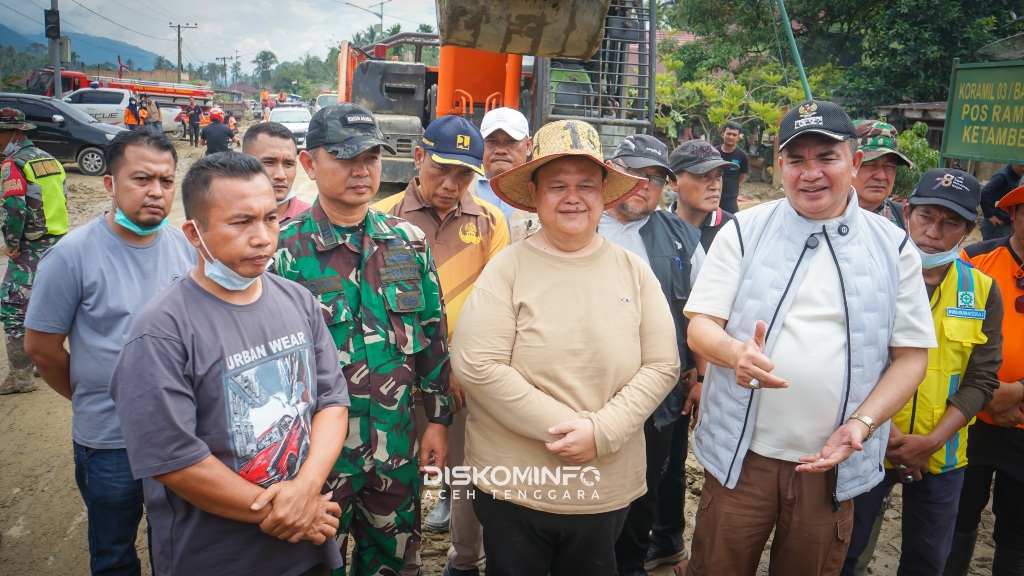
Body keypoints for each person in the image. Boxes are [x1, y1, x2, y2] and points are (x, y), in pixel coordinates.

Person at [682, 100, 935, 575]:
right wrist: (732, 352)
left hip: (830, 465)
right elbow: (700, 324)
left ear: (854, 163)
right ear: (780, 166)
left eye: (827, 157)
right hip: (741, 458)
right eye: (797, 159)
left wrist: (861, 425)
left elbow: (911, 357)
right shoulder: (744, 230)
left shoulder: (892, 246)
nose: (810, 173)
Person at [450, 119, 680, 576]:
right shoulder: (507, 268)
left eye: (586, 186)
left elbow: (662, 365)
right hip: (515, 483)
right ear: (534, 195)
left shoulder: (633, 270)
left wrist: (603, 431)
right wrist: (568, 428)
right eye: (557, 186)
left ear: (603, 195)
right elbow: (477, 364)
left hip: (604, 482)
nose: (573, 197)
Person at [108, 152, 350, 575]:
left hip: (305, 551)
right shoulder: (162, 332)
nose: (262, 238)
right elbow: (176, 460)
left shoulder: (298, 301)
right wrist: (291, 513)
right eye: (241, 222)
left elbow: (331, 401)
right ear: (194, 233)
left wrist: (306, 490)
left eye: (270, 219)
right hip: (219, 556)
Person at [274, 103, 452, 576]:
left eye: (371, 157)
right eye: (345, 157)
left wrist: (436, 421)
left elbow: (433, 338)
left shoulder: (408, 243)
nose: (362, 170)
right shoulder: (281, 252)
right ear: (309, 164)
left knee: (392, 566)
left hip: (394, 453)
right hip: (313, 465)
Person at [23, 129, 194, 575]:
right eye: (141, 179)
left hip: (175, 435)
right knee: (114, 550)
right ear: (109, 183)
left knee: (174, 543)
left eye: (166, 180)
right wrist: (94, 395)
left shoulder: (181, 246)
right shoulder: (71, 256)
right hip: (109, 441)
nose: (156, 192)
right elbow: (41, 349)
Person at [841, 168, 1002, 576]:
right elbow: (851, 358)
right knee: (845, 552)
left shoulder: (981, 289)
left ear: (969, 230)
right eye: (926, 216)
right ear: (907, 212)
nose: (934, 231)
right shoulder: (870, 275)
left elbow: (982, 379)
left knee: (928, 560)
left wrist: (929, 442)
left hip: (941, 454)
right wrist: (888, 432)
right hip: (868, 443)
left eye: (950, 223)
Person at [374, 115, 509, 576]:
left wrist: (462, 369)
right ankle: (402, 562)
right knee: (397, 480)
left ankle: (466, 561)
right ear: (417, 157)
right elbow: (389, 310)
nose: (453, 184)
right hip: (397, 380)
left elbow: (498, 309)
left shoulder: (491, 223)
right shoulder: (384, 219)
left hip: (464, 380)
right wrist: (423, 371)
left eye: (465, 174)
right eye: (442, 170)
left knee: (468, 479)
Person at [598, 134, 700, 576]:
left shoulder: (684, 240)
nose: (645, 185)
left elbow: (703, 315)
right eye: (635, 173)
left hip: (657, 394)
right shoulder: (578, 224)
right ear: (610, 171)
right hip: (585, 388)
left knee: (645, 489)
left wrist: (698, 376)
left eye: (657, 179)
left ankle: (630, 563)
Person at [646, 139, 738, 574]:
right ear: (674, 181)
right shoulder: (652, 229)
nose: (712, 184)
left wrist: (704, 375)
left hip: (715, 365)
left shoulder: (734, 232)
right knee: (663, 457)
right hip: (670, 367)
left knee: (690, 459)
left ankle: (672, 541)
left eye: (718, 176)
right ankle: (660, 539)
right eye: (701, 175)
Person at [947, 175, 1024, 576]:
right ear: (1012, 214)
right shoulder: (973, 260)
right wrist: (990, 393)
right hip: (969, 418)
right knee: (957, 516)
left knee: (1017, 534)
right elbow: (947, 334)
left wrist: (1018, 392)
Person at [0, 107, 68, 395]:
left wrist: (12, 244)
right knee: (45, 303)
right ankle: (42, 359)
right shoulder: (48, 159)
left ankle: (21, 376)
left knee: (12, 306)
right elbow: (62, 195)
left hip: (32, 246)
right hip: (59, 242)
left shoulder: (13, 164)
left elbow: (14, 208)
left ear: (16, 133)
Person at [242, 121, 311, 225]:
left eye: (288, 164)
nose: (281, 175)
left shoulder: (313, 221)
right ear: (244, 164)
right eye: (269, 163)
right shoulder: (224, 218)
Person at [474, 107, 532, 224]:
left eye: (511, 141)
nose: (500, 150)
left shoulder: (542, 193)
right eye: (491, 141)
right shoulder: (462, 189)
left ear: (528, 146)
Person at [852, 120, 913, 229]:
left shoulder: (906, 220)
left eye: (889, 166)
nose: (881, 176)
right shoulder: (820, 216)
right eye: (870, 164)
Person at [979, 164, 1024, 240]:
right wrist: (989, 215)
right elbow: (984, 192)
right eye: (1021, 165)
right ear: (1013, 163)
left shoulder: (1017, 176)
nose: (1023, 168)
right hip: (996, 224)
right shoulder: (1002, 177)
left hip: (1005, 222)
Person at [715, 121, 749, 214]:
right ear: (723, 134)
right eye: (728, 134)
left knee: (732, 225)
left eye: (734, 135)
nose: (731, 137)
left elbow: (741, 177)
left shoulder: (742, 156)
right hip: (713, 197)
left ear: (738, 138)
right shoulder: (714, 153)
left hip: (730, 201)